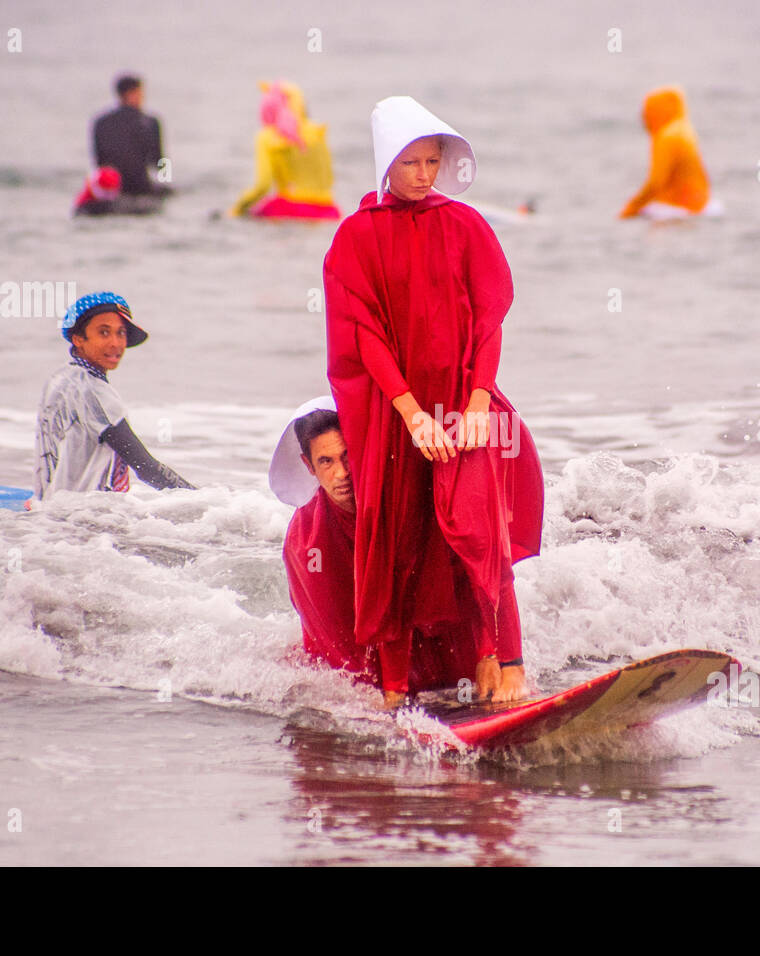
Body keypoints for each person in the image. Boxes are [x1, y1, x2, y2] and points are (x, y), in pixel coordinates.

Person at [323, 95, 544, 708]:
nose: (424, 174)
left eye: (432, 161)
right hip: (395, 421)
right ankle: (394, 690)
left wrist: (476, 405)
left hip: (466, 408)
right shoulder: (355, 236)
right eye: (411, 162)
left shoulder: (466, 224)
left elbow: (490, 319)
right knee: (399, 540)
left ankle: (504, 665)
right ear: (384, 164)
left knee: (479, 533)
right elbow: (363, 334)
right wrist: (411, 413)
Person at [273, 399, 479, 692]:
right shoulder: (306, 546)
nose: (342, 473)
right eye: (326, 461)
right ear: (309, 466)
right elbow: (339, 649)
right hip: (356, 658)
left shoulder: (404, 499)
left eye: (348, 456)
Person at [35, 292, 194, 499]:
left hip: (47, 507)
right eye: (104, 332)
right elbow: (145, 467)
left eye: (120, 333)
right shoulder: (93, 391)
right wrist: (205, 502)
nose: (115, 343)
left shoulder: (62, 377)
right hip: (75, 518)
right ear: (78, 339)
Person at [225, 81, 340, 220]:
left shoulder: (267, 136)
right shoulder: (318, 131)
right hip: (329, 211)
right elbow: (328, 178)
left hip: (287, 210)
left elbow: (263, 186)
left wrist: (237, 209)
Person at [619, 86, 711, 218]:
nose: (644, 119)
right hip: (701, 201)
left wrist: (632, 207)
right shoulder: (685, 129)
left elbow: (656, 182)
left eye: (647, 113)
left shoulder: (667, 137)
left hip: (680, 207)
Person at [91, 74, 170, 198]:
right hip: (141, 186)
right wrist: (166, 180)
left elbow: (99, 161)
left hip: (112, 187)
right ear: (132, 93)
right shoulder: (150, 122)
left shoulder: (100, 122)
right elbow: (160, 160)